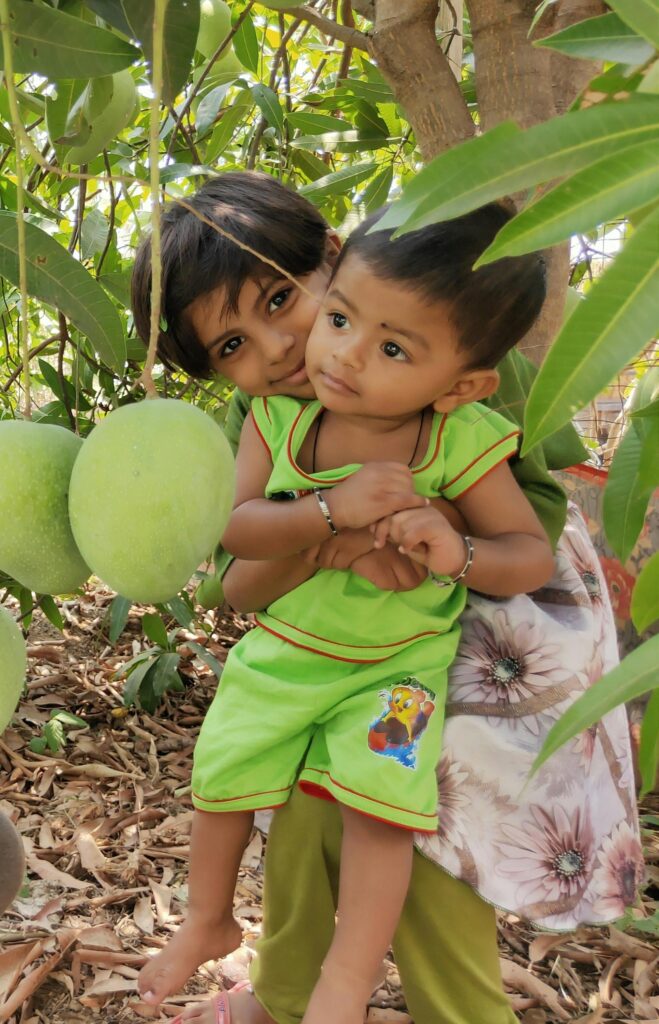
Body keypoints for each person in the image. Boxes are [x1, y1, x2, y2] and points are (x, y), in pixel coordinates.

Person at [131, 173, 642, 1024]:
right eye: (231, 347)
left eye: (284, 299)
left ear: (336, 256)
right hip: (320, 655)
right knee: (301, 829)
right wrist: (331, 531)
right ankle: (288, 993)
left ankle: (453, 1009)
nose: (280, 348)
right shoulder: (266, 420)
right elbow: (239, 574)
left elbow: (538, 513)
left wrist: (438, 524)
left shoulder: (469, 378)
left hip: (481, 650)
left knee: (428, 849)